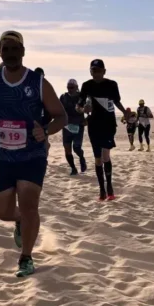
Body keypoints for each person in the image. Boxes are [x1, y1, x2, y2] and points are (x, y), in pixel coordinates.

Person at [0, 30, 66, 277]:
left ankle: (26, 257)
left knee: (29, 205)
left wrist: (45, 130)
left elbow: (61, 115)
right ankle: (19, 220)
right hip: (0, 155)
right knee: (1, 211)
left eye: (15, 49)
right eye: (6, 49)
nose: (11, 54)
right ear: (0, 52)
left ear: (23, 52)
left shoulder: (37, 82)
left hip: (31, 155)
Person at [80, 59, 126, 201]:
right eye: (93, 70)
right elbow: (79, 106)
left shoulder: (111, 85)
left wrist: (125, 112)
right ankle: (101, 190)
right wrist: (83, 109)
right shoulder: (86, 86)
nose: (96, 73)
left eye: (99, 70)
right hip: (93, 125)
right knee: (98, 158)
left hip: (108, 125)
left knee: (106, 155)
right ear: (90, 71)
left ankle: (110, 188)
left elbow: (117, 102)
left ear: (104, 71)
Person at [61, 78, 88, 175]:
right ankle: (73, 168)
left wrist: (87, 120)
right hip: (67, 126)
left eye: (72, 87)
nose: (70, 89)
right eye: (68, 87)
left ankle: (81, 158)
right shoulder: (63, 97)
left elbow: (91, 108)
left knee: (76, 147)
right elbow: (59, 110)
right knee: (67, 149)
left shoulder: (82, 97)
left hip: (78, 126)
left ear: (76, 87)